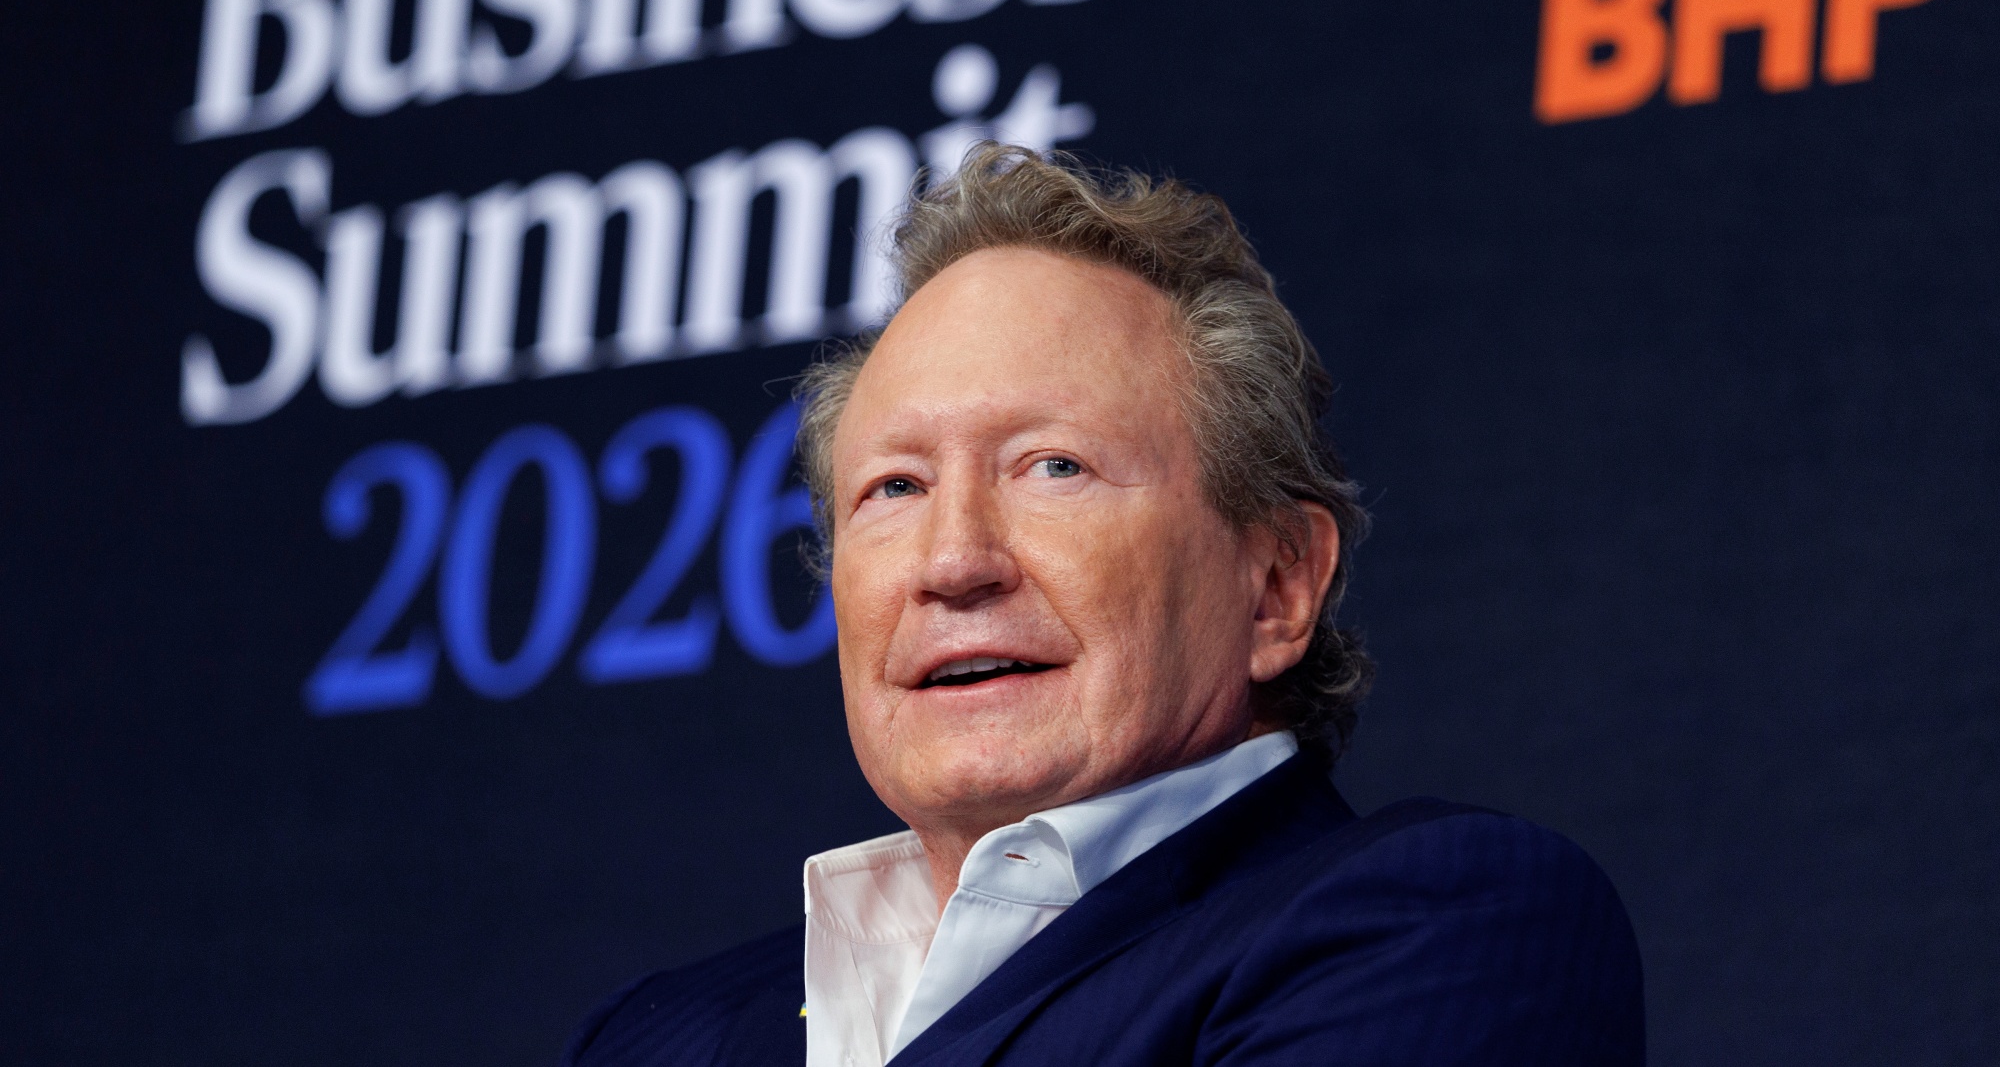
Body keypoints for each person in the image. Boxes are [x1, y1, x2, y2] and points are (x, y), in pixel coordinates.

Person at [563, 146, 1644, 1067]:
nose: (954, 560)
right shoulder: (653, 1039)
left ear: (1277, 583)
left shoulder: (1437, 922)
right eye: (894, 487)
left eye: (1053, 467)